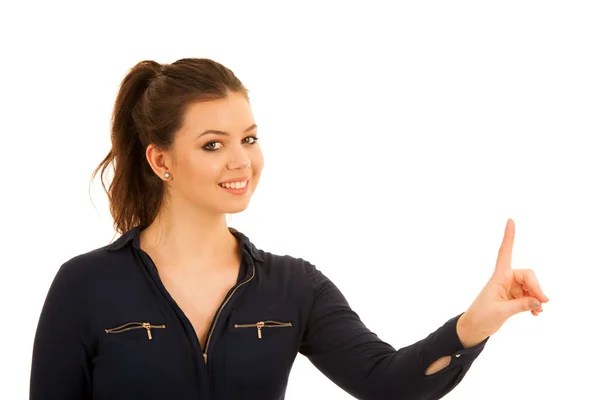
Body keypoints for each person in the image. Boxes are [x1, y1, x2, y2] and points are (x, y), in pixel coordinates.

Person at [29, 58, 549, 400]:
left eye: (249, 140)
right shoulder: (86, 285)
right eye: (213, 144)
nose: (241, 162)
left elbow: (388, 385)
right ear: (161, 160)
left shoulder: (293, 288)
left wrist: (472, 327)